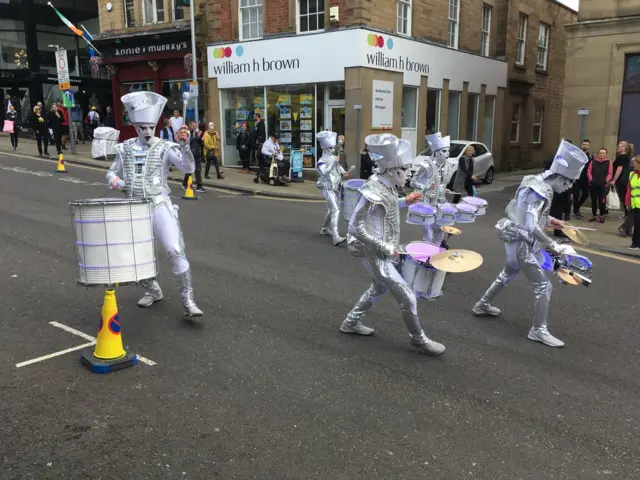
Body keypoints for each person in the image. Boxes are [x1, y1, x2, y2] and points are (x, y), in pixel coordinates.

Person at [472, 140, 589, 348]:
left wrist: (552, 221)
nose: (569, 187)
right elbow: (530, 226)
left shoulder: (534, 181)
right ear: (561, 177)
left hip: (513, 238)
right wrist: (554, 244)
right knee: (543, 285)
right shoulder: (540, 190)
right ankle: (538, 330)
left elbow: (526, 211)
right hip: (522, 244)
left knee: (507, 273)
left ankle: (482, 305)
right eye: (569, 182)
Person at [342, 134, 446, 355]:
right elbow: (354, 227)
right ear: (392, 170)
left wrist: (404, 201)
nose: (409, 174)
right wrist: (382, 246)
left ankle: (350, 322)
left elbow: (386, 208)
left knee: (379, 287)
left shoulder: (387, 186)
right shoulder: (373, 190)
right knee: (407, 296)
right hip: (374, 252)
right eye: (406, 170)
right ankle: (418, 339)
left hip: (384, 248)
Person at [106, 91, 203, 318]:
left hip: (159, 203)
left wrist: (185, 145)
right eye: (143, 127)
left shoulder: (165, 147)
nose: (147, 132)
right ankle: (152, 288)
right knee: (137, 255)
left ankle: (188, 299)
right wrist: (118, 182)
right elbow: (111, 173)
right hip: (134, 208)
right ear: (135, 127)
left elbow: (188, 168)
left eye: (151, 126)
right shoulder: (125, 148)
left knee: (174, 249)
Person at [316, 130, 349, 246]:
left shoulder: (333, 158)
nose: (333, 149)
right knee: (335, 210)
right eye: (330, 148)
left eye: (333, 147)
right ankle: (336, 237)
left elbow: (338, 167)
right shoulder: (321, 161)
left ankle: (324, 229)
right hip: (327, 187)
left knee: (332, 209)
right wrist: (334, 164)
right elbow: (324, 172)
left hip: (335, 186)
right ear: (325, 149)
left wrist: (344, 171)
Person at [587, 148, 613, 223]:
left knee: (602, 201)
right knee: (594, 200)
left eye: (603, 153)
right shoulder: (593, 162)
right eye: (600, 153)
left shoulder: (609, 162)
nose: (602, 154)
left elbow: (610, 173)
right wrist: (591, 180)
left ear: (606, 154)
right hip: (593, 184)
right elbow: (589, 171)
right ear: (598, 154)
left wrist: (606, 181)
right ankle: (594, 216)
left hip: (603, 185)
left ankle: (601, 215)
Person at [182, 121, 206, 193]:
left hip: (197, 154)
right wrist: (196, 136)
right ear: (189, 125)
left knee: (198, 171)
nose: (194, 127)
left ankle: (199, 186)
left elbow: (201, 144)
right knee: (190, 170)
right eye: (193, 125)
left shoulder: (196, 133)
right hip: (190, 155)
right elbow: (188, 142)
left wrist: (200, 138)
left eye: (195, 126)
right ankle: (185, 184)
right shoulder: (187, 133)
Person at [611, 140, 633, 218]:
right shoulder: (626, 157)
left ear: (624, 148)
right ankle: (627, 213)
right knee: (624, 197)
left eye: (619, 146)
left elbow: (619, 169)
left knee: (623, 197)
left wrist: (614, 180)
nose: (617, 147)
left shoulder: (622, 157)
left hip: (621, 180)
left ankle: (627, 214)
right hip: (624, 180)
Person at [572, 139, 592, 218]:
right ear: (581, 145)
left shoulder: (590, 156)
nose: (585, 146)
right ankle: (576, 211)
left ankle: (577, 207)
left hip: (585, 178)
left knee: (586, 194)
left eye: (587, 145)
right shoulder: (577, 155)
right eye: (584, 144)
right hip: (576, 177)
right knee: (576, 195)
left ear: (589, 146)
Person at [624, 156, 640, 250]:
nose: (632, 164)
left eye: (634, 162)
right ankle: (635, 243)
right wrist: (627, 202)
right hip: (635, 204)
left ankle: (636, 243)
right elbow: (629, 190)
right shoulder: (632, 174)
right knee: (637, 224)